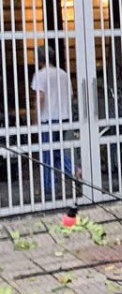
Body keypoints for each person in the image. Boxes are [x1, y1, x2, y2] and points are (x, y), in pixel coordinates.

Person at [31, 46, 74, 196]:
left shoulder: (40, 75)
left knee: (47, 154)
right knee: (57, 150)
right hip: (63, 117)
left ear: (39, 59)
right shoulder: (63, 74)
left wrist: (36, 119)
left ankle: (49, 187)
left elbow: (40, 98)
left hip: (48, 118)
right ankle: (75, 171)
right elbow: (70, 94)